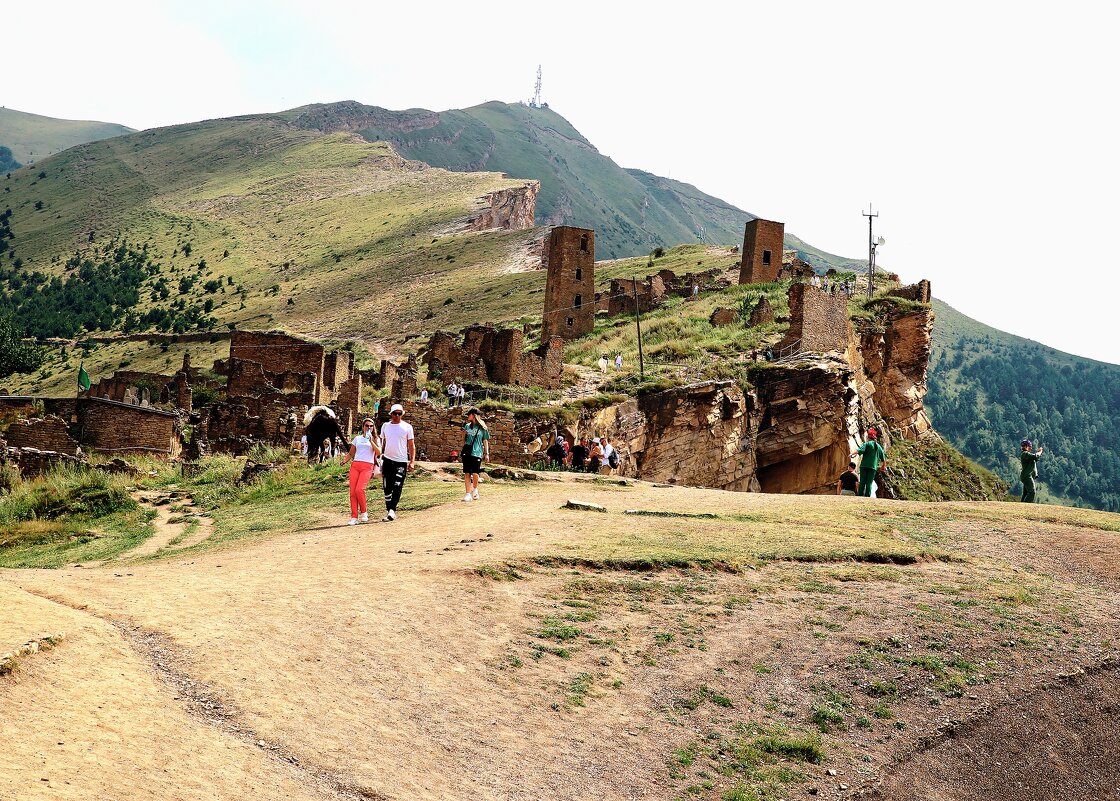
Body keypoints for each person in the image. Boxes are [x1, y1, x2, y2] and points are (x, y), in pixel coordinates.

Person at [341, 417, 382, 525]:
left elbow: (378, 453)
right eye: (367, 425)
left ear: (373, 427)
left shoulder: (376, 439)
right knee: (353, 492)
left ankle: (364, 512)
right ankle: (354, 516)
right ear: (363, 427)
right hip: (355, 465)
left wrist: (371, 441)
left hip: (367, 466)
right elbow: (351, 453)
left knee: (360, 489)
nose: (369, 428)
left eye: (371, 426)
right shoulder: (357, 439)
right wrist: (344, 461)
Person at [379, 403, 415, 522]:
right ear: (391, 414)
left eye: (400, 414)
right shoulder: (385, 426)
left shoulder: (407, 427)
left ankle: (392, 510)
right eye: (395, 413)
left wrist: (412, 461)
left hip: (401, 461)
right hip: (388, 460)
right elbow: (381, 444)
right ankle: (389, 509)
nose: (397, 416)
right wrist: (377, 458)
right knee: (387, 487)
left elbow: (411, 445)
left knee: (397, 485)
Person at [460, 408, 490, 502]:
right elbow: (463, 441)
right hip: (468, 452)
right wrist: (463, 434)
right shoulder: (467, 426)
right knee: (467, 473)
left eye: (469, 414)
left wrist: (487, 453)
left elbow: (485, 441)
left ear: (473, 415)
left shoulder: (483, 428)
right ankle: (468, 493)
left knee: (475, 473)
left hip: (477, 452)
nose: (467, 416)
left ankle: (475, 489)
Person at [851, 428, 886, 497]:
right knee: (869, 483)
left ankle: (860, 495)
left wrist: (852, 453)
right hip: (873, 467)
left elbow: (860, 450)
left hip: (864, 466)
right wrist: (883, 466)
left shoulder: (867, 444)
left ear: (868, 437)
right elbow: (883, 458)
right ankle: (867, 496)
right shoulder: (878, 446)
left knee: (862, 482)